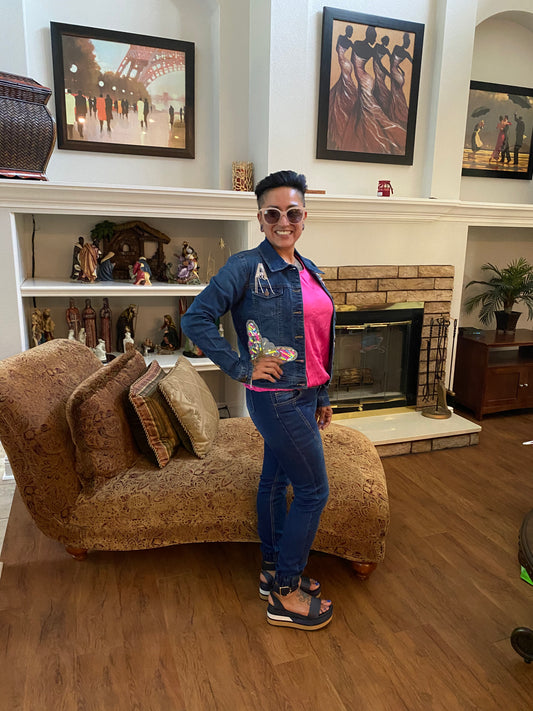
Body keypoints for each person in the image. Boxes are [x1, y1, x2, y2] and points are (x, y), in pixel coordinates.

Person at [181, 170, 335, 631]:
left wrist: (322, 393)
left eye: (293, 213)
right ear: (260, 218)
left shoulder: (308, 269)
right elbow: (196, 319)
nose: (283, 222)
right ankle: (286, 593)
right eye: (273, 213)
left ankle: (272, 571)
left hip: (305, 395)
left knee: (274, 480)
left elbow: (318, 339)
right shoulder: (246, 266)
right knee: (314, 490)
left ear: (305, 216)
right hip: (276, 399)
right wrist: (243, 367)